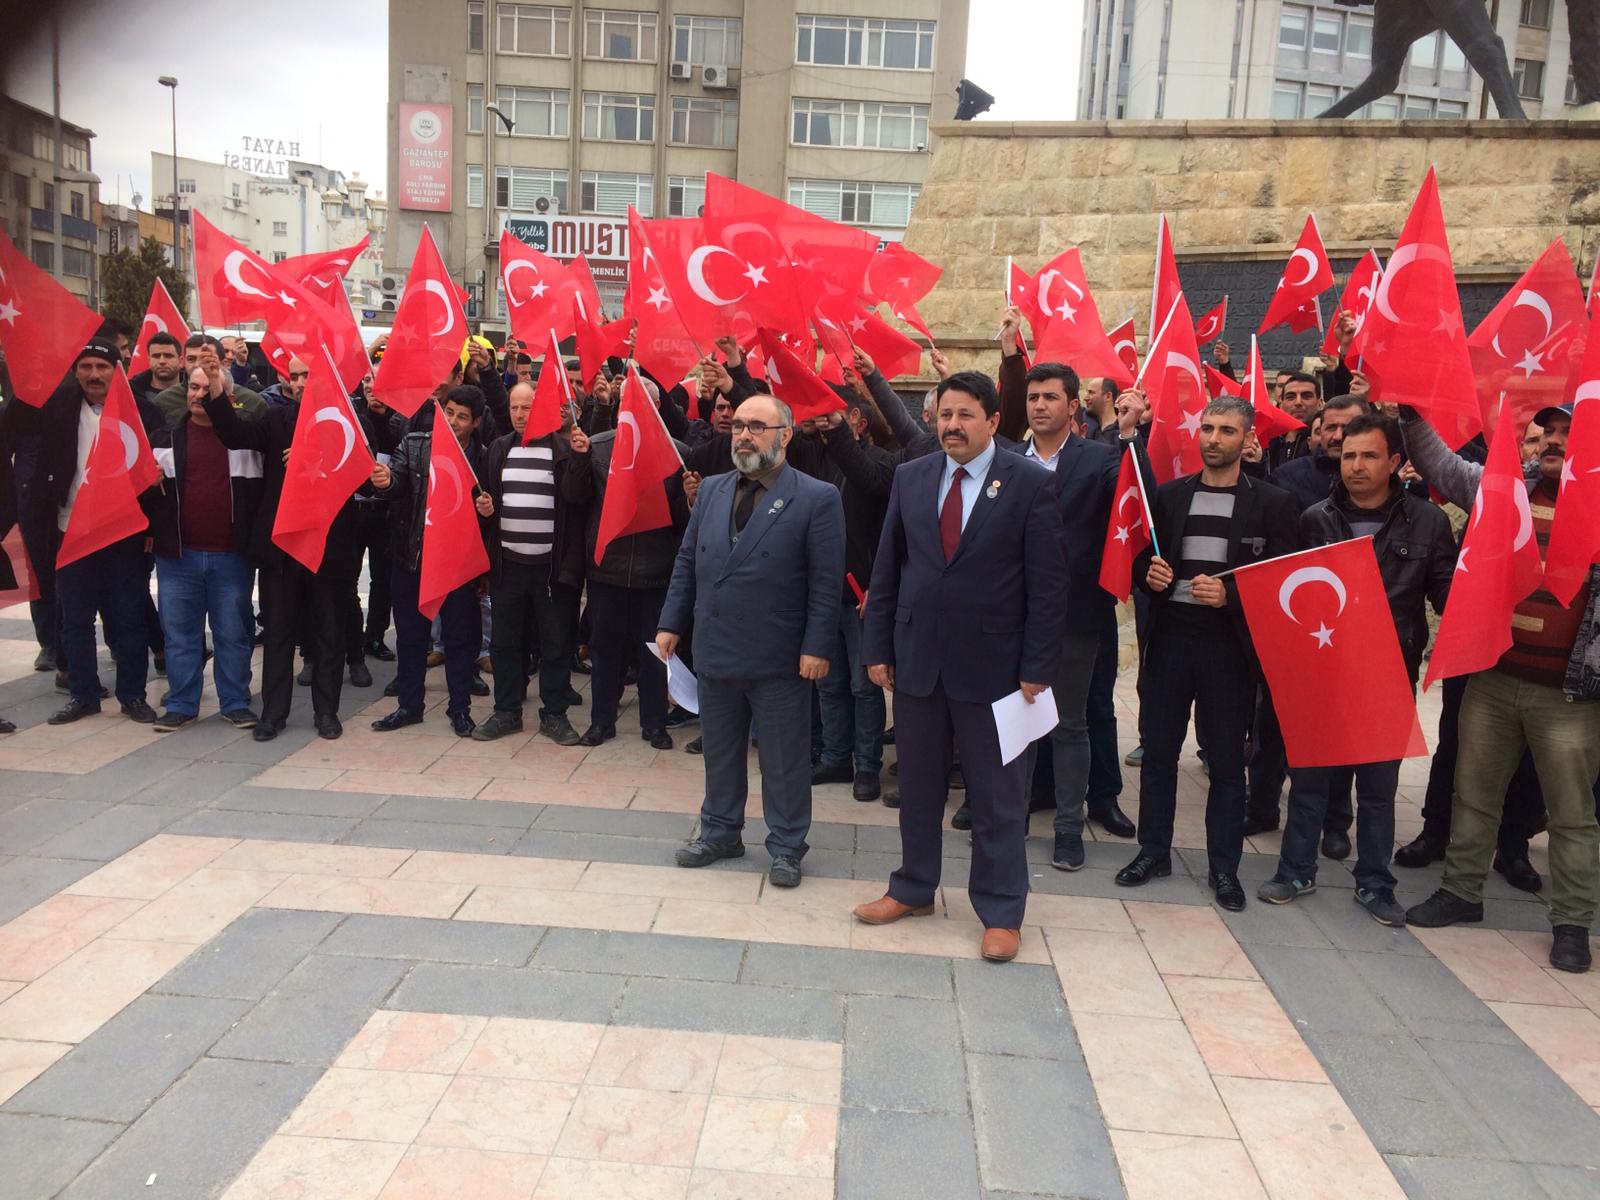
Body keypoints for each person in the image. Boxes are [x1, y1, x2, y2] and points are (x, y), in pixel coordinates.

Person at [854, 370, 1067, 962]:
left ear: (995, 421)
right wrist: (878, 649)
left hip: (997, 671)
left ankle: (1001, 910)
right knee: (917, 787)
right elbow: (887, 570)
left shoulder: (1027, 482)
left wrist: (1037, 666)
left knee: (998, 798)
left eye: (965, 414)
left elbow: (1049, 585)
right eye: (945, 414)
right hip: (919, 661)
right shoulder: (912, 476)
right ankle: (914, 888)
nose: (952, 425)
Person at [1401, 403, 1600, 973]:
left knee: (1570, 814)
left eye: (1570, 433)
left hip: (1570, 697)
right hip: (1493, 679)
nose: (1555, 441)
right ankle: (1462, 893)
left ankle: (1571, 924)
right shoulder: (1503, 491)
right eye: (1550, 432)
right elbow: (1439, 464)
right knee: (1473, 793)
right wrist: (1413, 411)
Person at [1257, 414, 1454, 924]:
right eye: (1348, 456)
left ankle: (1374, 883)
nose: (1357, 466)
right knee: (1309, 783)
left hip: (1387, 675)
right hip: (1323, 673)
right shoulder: (1315, 519)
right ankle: (1295, 870)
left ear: (1394, 462)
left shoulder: (1428, 522)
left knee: (1377, 790)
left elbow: (1447, 596)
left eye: (1369, 456)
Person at [1116, 396, 1300, 911]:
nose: (1213, 439)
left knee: (1224, 763)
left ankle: (1225, 868)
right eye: (1208, 429)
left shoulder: (1273, 503)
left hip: (1228, 651)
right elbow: (1143, 564)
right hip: (1171, 642)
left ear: (1247, 440)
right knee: (1157, 757)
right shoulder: (1170, 498)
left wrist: (1233, 595)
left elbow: (1284, 582)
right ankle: (1153, 852)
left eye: (1226, 431)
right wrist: (1148, 578)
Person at [657, 392, 845, 889]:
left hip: (780, 654)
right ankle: (720, 831)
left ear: (785, 435)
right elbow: (687, 562)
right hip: (717, 648)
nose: (743, 434)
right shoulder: (715, 489)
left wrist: (817, 646)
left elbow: (827, 583)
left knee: (783, 760)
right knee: (720, 750)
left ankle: (786, 846)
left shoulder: (817, 497)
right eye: (739, 425)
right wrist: (671, 623)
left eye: (756, 426)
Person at [996, 351, 1143, 868]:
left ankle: (1067, 829)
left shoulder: (1100, 460)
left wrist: (1129, 438)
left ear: (1073, 405)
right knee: (1014, 721)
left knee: (1069, 725)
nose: (1038, 406)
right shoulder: (1005, 460)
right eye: (1032, 397)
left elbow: (1134, 502)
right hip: (1009, 618)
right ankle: (1008, 818)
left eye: (1049, 397)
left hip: (1074, 618)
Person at [201, 351, 366, 742]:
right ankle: (274, 714)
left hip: (329, 548)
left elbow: (364, 470)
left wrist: (319, 459)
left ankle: (327, 712)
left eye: (308, 375)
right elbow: (234, 435)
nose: (301, 383)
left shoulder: (346, 422)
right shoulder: (276, 419)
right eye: (295, 376)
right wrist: (216, 389)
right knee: (278, 634)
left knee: (328, 634)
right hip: (283, 548)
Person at [38, 338, 161, 724]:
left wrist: (152, 526)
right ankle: (83, 694)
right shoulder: (57, 408)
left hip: (124, 533)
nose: (94, 375)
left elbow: (158, 471)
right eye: (87, 367)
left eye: (102, 367)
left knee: (128, 617)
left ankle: (132, 695)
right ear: (76, 371)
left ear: (117, 370)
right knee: (75, 619)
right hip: (71, 530)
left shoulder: (143, 411)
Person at [564, 375, 691, 749]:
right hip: (608, 572)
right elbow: (575, 497)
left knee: (655, 652)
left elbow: (686, 524)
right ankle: (601, 722)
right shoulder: (598, 447)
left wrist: (690, 497)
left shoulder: (676, 453)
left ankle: (655, 724)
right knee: (605, 650)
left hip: (656, 573)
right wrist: (578, 460)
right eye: (628, 405)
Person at [369, 385, 494, 737]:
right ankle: (409, 706)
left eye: (462, 417)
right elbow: (396, 484)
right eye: (449, 412)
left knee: (460, 639)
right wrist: (386, 480)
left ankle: (460, 710)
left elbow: (489, 513)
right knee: (410, 637)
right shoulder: (415, 443)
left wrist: (488, 511)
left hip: (457, 564)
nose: (453, 421)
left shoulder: (484, 456)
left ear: (477, 422)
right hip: (412, 557)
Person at [146, 367, 265, 731]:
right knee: (180, 637)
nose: (198, 395)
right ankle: (182, 704)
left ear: (227, 397)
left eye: (207, 388)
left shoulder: (247, 441)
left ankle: (235, 702)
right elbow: (142, 497)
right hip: (178, 557)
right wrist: (145, 483)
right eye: (193, 387)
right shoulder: (163, 439)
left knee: (233, 633)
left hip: (232, 557)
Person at [474, 382, 588, 744]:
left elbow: (578, 497)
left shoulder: (564, 449)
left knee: (554, 645)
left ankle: (554, 715)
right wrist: (485, 511)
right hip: (508, 567)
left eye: (528, 408)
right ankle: (506, 711)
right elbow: (485, 501)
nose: (521, 415)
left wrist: (581, 459)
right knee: (505, 643)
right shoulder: (498, 449)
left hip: (550, 571)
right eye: (515, 408)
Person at [129, 330, 184, 408]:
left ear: (180, 361)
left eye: (168, 356)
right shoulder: (131, 394)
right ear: (149, 360)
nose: (162, 361)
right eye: (156, 356)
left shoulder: (195, 393)